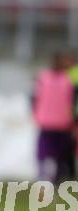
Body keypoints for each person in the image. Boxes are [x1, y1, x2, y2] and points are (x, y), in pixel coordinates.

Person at [33, 51, 76, 185]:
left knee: (45, 153)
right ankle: (57, 180)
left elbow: (33, 98)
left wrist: (36, 114)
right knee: (60, 155)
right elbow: (73, 102)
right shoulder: (69, 80)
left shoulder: (42, 78)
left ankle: (46, 177)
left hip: (47, 123)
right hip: (63, 123)